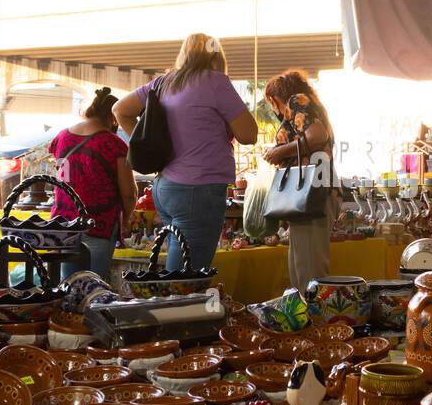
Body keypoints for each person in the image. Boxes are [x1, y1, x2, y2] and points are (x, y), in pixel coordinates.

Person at [112, 34, 258, 272]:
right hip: (199, 191)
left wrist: (144, 142)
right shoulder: (216, 82)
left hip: (165, 187)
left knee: (179, 268)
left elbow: (119, 109)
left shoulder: (163, 83)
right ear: (216, 56)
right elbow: (249, 134)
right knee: (185, 280)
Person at [48, 87, 137, 279]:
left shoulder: (61, 137)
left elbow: (62, 175)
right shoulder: (114, 144)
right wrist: (127, 219)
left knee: (67, 285)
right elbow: (128, 193)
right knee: (94, 285)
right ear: (112, 118)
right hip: (99, 223)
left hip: (64, 222)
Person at [262, 70, 337, 294]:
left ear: (274, 99)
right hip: (312, 190)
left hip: (313, 190)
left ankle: (316, 325)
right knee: (301, 269)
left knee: (309, 272)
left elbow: (317, 136)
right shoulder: (308, 104)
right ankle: (305, 321)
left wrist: (279, 152)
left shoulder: (296, 102)